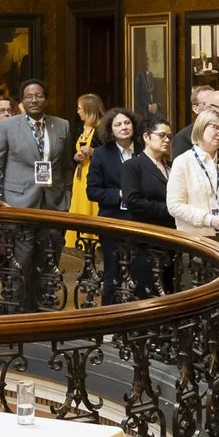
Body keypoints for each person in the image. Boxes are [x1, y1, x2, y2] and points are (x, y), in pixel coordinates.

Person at [0, 80, 71, 313]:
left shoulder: (61, 126)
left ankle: (44, 311)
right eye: (29, 96)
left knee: (48, 261)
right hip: (17, 205)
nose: (34, 100)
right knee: (21, 264)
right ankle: (18, 314)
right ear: (22, 100)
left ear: (46, 99)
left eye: (39, 95)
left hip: (52, 205)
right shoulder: (9, 126)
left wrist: (66, 197)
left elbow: (67, 166)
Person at [167, 108, 219, 247]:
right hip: (196, 240)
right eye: (215, 127)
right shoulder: (183, 162)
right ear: (201, 127)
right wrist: (209, 220)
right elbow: (174, 205)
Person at [116, 117, 174, 297]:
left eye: (169, 137)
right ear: (147, 137)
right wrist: (170, 209)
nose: (166, 140)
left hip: (171, 237)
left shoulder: (171, 166)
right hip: (146, 238)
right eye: (162, 135)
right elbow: (133, 200)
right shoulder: (133, 166)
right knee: (147, 292)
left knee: (170, 289)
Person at [83, 108, 137, 303]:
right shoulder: (101, 155)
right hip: (113, 220)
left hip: (141, 220)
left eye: (127, 123)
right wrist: (121, 194)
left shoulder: (144, 150)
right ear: (110, 130)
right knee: (112, 274)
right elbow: (93, 191)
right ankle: (109, 322)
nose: (124, 127)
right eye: (118, 124)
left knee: (140, 272)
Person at [68, 92, 106, 236]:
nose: (78, 111)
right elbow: (72, 151)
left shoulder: (102, 129)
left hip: (95, 175)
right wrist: (76, 156)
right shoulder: (80, 128)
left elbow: (111, 154)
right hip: (80, 175)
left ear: (89, 110)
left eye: (79, 108)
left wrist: (93, 152)